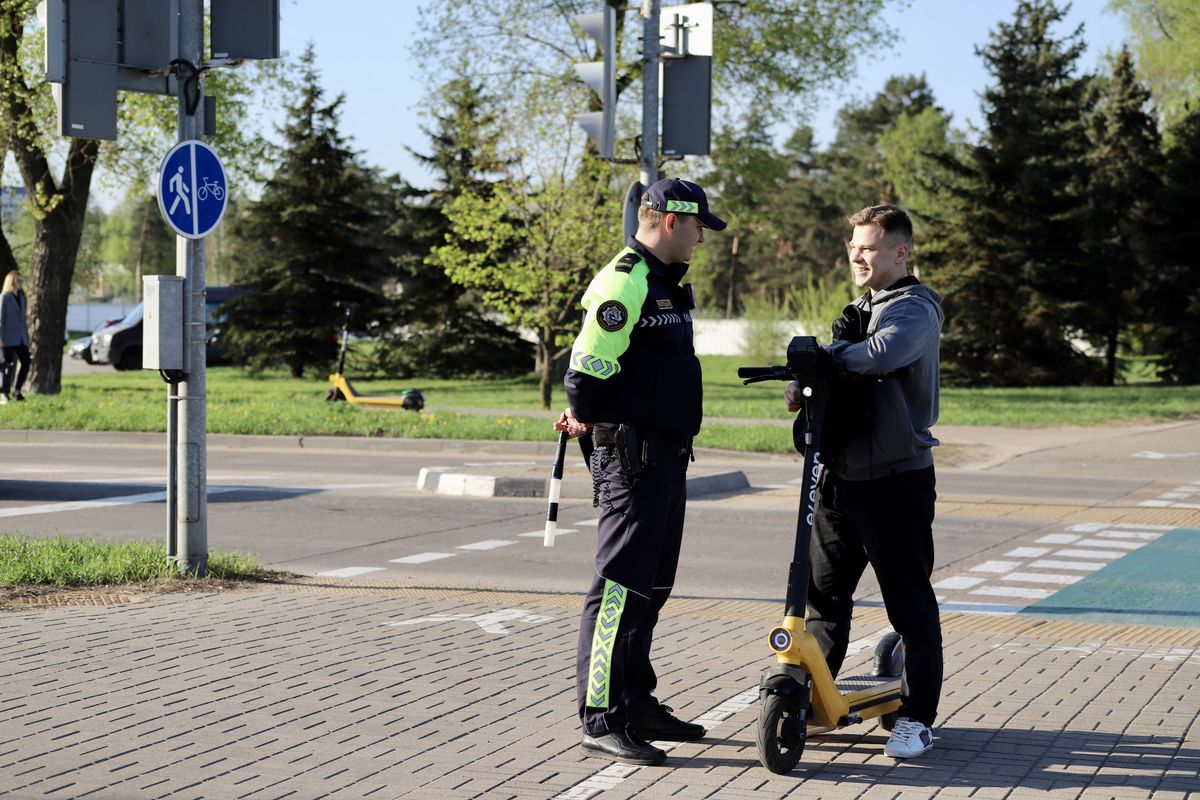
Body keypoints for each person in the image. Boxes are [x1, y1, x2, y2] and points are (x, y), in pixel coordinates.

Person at [555, 178, 726, 767]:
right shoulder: (624, 280)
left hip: (666, 455)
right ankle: (601, 718)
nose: (704, 236)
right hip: (633, 457)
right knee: (617, 590)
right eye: (700, 225)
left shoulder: (667, 287)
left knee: (650, 589)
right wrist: (597, 426)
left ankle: (636, 702)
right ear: (672, 221)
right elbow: (584, 374)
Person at [784, 204, 943, 759]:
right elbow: (836, 374)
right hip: (839, 476)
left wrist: (823, 359)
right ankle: (811, 697)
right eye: (853, 246)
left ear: (900, 252)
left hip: (896, 480)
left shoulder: (916, 309)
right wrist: (804, 384)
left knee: (910, 606)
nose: (857, 255)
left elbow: (885, 353)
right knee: (823, 599)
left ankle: (917, 717)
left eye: (869, 247)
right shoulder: (856, 310)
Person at [0, 270, 31, 405]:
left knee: (26, 362)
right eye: (18, 281)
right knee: (7, 366)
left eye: (21, 281)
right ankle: (4, 394)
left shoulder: (21, 298)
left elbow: (23, 320)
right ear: (11, 282)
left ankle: (17, 390)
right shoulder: (4, 298)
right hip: (6, 338)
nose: (21, 283)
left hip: (20, 338)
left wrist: (26, 337)